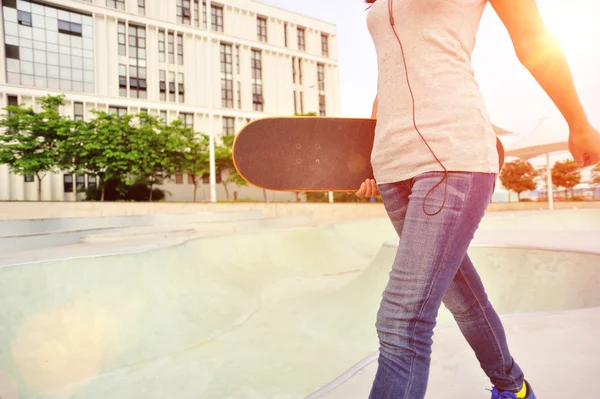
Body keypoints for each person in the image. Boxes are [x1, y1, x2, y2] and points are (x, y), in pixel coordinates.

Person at [353, 0, 600, 398]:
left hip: (453, 154)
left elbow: (531, 37)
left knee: (401, 320)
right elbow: (391, 74)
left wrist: (578, 121)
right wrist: (367, 153)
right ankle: (514, 387)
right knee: (463, 296)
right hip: (393, 166)